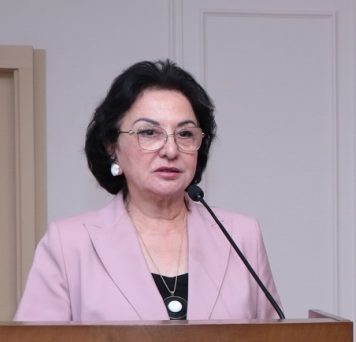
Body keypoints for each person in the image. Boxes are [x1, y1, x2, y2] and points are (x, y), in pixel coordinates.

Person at [15, 60, 281, 322]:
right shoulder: (68, 243)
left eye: (185, 134)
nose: (171, 150)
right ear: (112, 147)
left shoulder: (241, 235)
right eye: (149, 132)